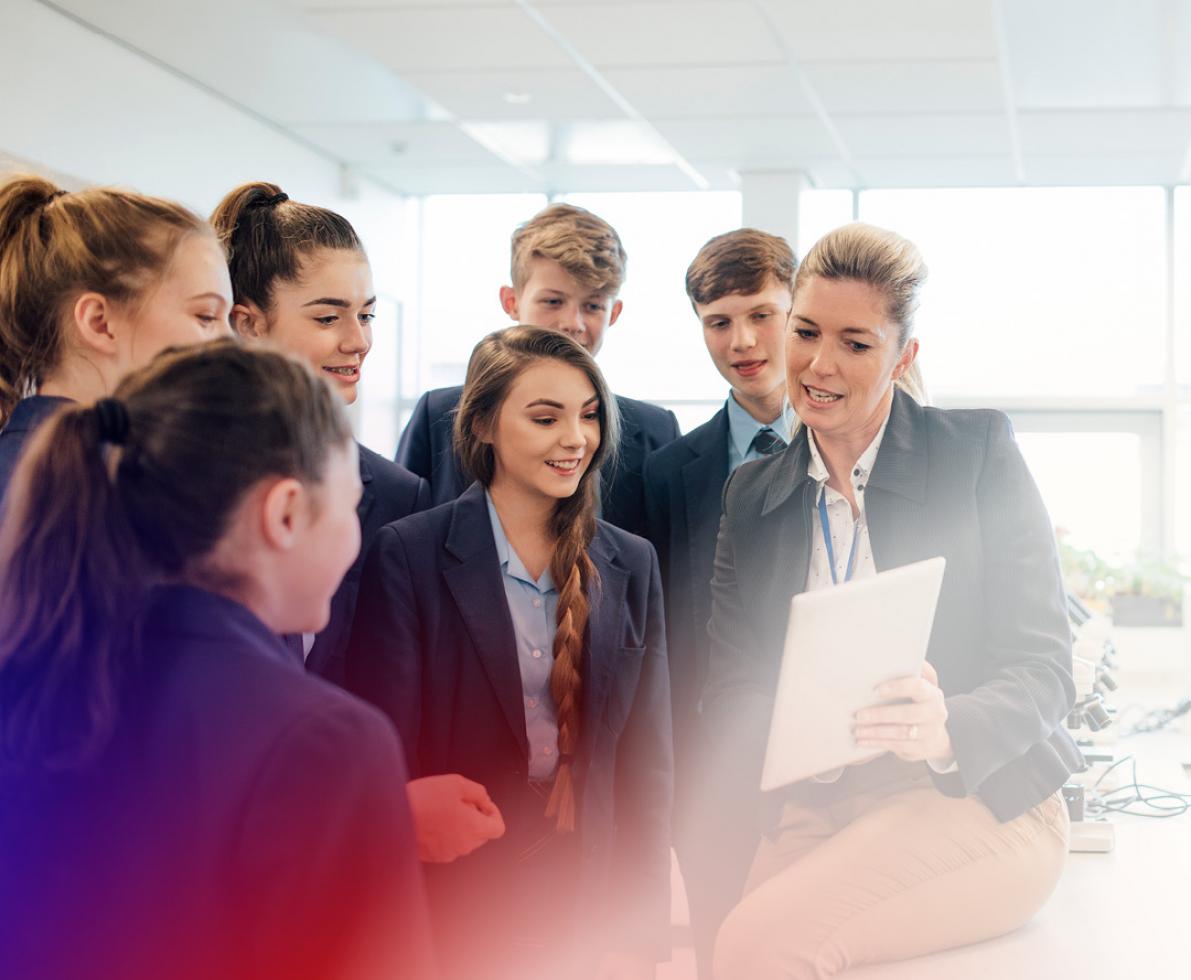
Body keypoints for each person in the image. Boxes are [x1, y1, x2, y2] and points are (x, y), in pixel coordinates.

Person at [696, 224, 1081, 979]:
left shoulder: (975, 454)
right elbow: (731, 681)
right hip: (821, 796)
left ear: (902, 357)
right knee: (728, 954)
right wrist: (787, 734)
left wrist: (944, 728)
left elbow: (1044, 669)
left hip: (977, 792)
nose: (818, 363)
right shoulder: (752, 493)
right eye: (804, 331)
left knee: (758, 947)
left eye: (856, 343)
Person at [0, 340, 436, 980]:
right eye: (349, 507)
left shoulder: (32, 675)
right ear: (285, 512)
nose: (354, 537)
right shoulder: (328, 741)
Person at [348, 326, 673, 980]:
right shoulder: (407, 554)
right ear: (484, 425)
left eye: (588, 416)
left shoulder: (630, 562)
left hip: (586, 896)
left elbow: (647, 764)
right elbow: (387, 755)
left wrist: (643, 934)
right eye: (545, 417)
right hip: (455, 895)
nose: (574, 438)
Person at [210, 180, 502, 866]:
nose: (358, 340)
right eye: (327, 316)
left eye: (366, 314)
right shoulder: (183, 481)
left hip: (347, 850)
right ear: (246, 321)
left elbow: (391, 704)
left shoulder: (396, 494)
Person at [395, 203, 680, 538]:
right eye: (553, 302)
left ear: (613, 313)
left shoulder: (654, 431)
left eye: (592, 306)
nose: (571, 324)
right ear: (511, 301)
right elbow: (405, 538)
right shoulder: (440, 416)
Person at [0, 174, 233, 503]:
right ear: (100, 323)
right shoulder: (57, 491)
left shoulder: (117, 469)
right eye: (206, 317)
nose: (231, 343)